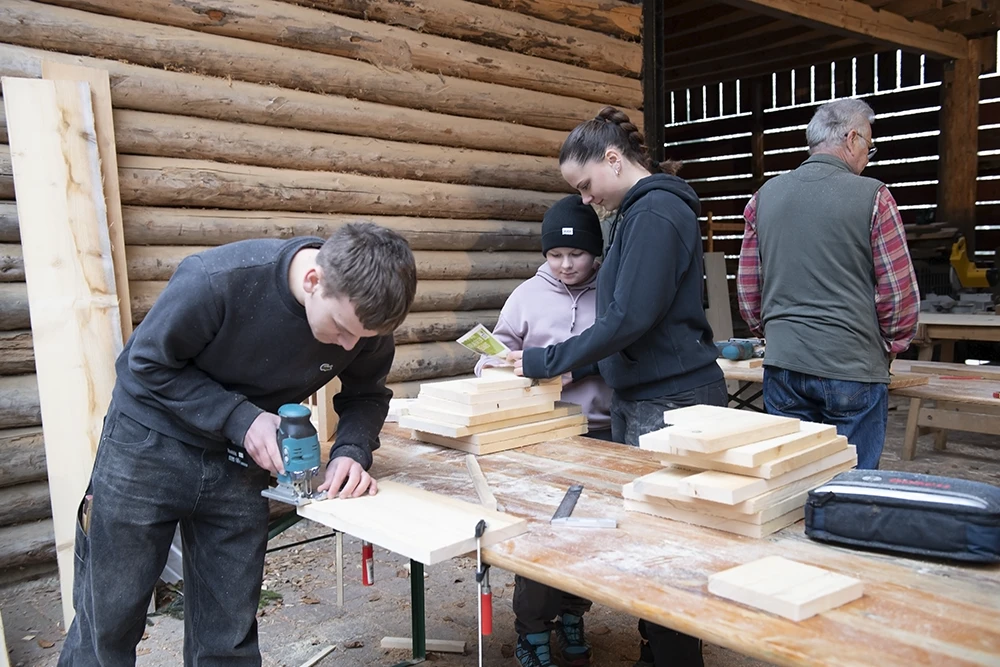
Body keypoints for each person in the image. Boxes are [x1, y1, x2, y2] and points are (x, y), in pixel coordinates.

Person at [59, 223, 417, 667]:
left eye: (363, 338)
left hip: (240, 461)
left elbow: (366, 393)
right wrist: (241, 418)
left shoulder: (364, 321)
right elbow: (145, 364)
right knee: (108, 623)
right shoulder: (217, 280)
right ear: (313, 282)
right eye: (342, 329)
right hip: (148, 446)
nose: (350, 345)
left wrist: (351, 451)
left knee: (227, 636)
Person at [508, 106, 726, 667]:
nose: (584, 199)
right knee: (647, 542)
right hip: (645, 397)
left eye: (585, 185)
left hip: (673, 401)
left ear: (612, 158)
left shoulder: (655, 212)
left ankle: (674, 657)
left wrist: (546, 360)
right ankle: (658, 650)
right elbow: (625, 326)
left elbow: (629, 318)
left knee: (667, 548)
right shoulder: (633, 213)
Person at [737, 98, 919, 470]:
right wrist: (888, 345)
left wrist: (775, 334)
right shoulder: (875, 197)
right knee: (849, 490)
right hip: (853, 368)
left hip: (784, 366)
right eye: (870, 146)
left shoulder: (763, 198)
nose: (869, 155)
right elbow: (898, 297)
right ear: (852, 139)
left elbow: (748, 292)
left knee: (792, 484)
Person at [475, 194, 612, 667]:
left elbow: (624, 352)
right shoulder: (526, 296)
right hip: (539, 437)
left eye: (576, 254)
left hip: (599, 431)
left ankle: (573, 613)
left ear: (596, 253)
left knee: (584, 536)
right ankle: (532, 632)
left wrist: (580, 368)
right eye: (555, 255)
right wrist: (491, 360)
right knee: (536, 538)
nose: (566, 264)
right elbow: (496, 349)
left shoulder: (612, 293)